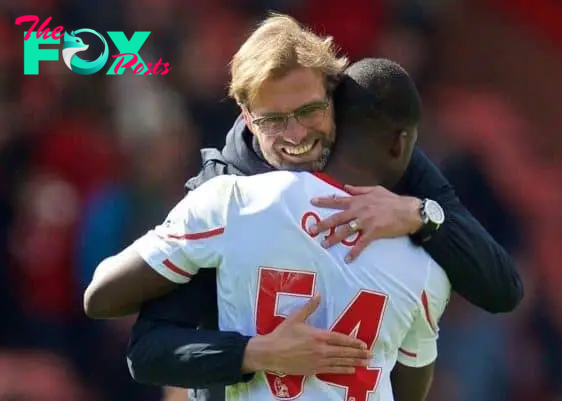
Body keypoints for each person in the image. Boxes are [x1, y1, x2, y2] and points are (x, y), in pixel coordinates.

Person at [84, 13, 522, 401]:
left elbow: (501, 289)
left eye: (310, 111)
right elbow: (149, 352)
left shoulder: (386, 159)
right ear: (246, 115)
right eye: (274, 120)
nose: (295, 137)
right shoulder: (223, 195)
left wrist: (419, 214)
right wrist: (259, 353)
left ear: (334, 95)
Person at [117, 58, 451, 401]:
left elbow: (138, 343)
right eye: (277, 118)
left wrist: (255, 353)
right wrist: (426, 215)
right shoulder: (424, 265)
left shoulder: (233, 206)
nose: (295, 133)